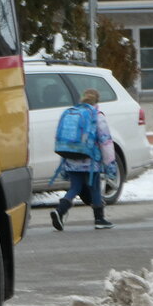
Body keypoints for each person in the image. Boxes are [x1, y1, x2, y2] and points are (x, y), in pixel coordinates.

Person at [50, 87, 117, 231]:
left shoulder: (72, 112)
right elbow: (105, 142)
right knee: (94, 188)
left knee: (75, 187)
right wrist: (110, 164)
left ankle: (60, 211)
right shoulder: (97, 115)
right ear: (97, 101)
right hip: (90, 161)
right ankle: (99, 219)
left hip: (71, 157)